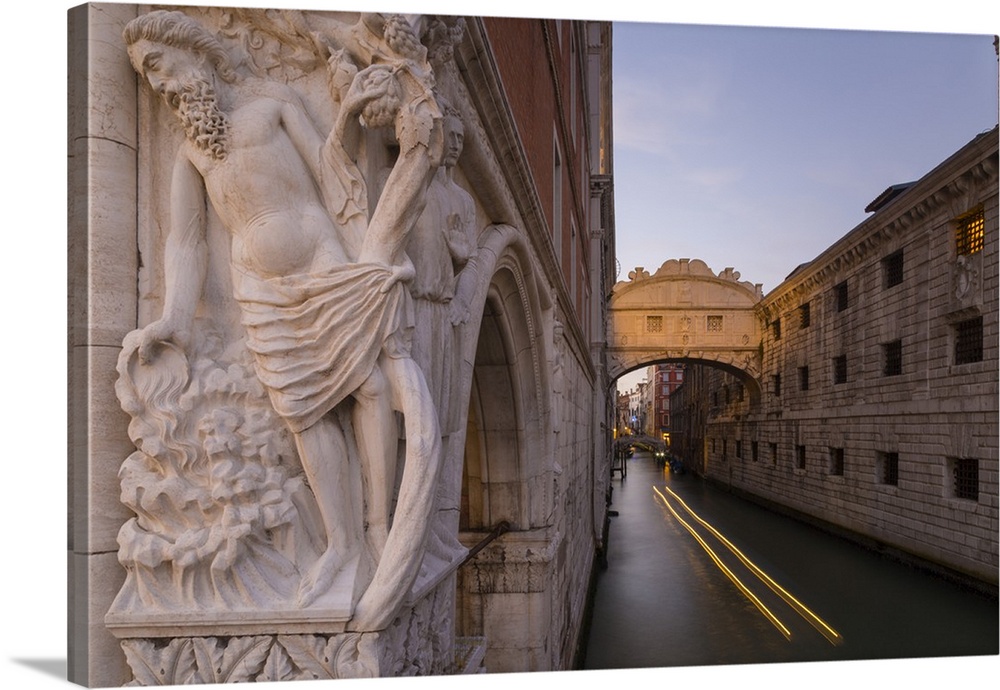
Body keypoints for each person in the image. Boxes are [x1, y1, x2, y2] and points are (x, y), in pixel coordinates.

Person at [122, 10, 444, 624]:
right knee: (303, 411)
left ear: (195, 54)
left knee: (370, 385)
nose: (159, 85)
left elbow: (329, 170)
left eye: (159, 66)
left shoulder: (269, 103)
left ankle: (379, 530)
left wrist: (347, 114)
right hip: (260, 293)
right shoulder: (190, 153)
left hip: (322, 263)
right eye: (147, 76)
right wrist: (171, 319)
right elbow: (185, 243)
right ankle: (341, 541)